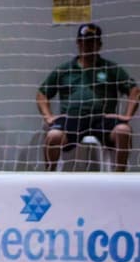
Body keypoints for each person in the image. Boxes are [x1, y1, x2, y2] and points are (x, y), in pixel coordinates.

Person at [37, 23, 138, 172]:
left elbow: (134, 90)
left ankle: (119, 176)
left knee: (123, 131)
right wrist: (48, 117)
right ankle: (50, 176)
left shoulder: (110, 69)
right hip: (72, 119)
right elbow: (42, 94)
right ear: (78, 43)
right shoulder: (64, 70)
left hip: (102, 119)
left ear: (99, 45)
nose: (88, 45)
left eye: (92, 41)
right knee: (53, 136)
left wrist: (127, 116)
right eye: (84, 41)